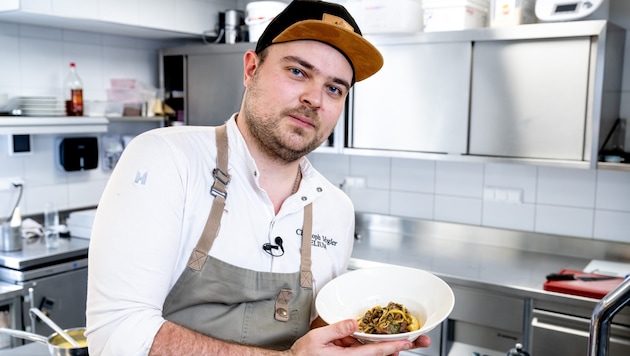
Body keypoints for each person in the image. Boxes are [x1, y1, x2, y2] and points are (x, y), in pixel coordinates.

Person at [86, 0, 430, 355]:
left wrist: (354, 339)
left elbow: (314, 333)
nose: (314, 98)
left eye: (334, 88)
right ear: (251, 69)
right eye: (298, 71)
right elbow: (116, 335)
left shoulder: (335, 210)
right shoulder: (166, 159)